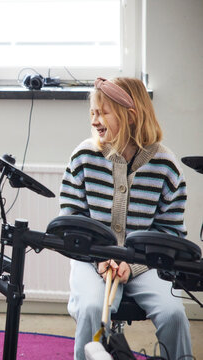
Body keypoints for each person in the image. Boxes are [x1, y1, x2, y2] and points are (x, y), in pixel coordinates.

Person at [59, 77, 192, 360]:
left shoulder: (166, 166)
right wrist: (99, 258)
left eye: (103, 112)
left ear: (131, 116)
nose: (95, 120)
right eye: (92, 113)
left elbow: (170, 232)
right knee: (93, 308)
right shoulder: (83, 157)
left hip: (145, 262)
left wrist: (132, 266)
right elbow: (71, 219)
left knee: (173, 314)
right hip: (91, 257)